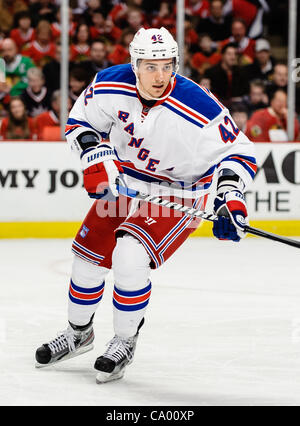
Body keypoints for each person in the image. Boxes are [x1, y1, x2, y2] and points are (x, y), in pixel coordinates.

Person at [35, 27, 257, 383]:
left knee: (130, 256)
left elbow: (240, 152)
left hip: (178, 192)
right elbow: (80, 122)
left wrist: (230, 198)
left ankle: (124, 340)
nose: (160, 76)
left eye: (167, 66)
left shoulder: (198, 105)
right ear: (135, 64)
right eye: (151, 66)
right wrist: (96, 158)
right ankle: (79, 334)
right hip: (127, 183)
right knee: (87, 259)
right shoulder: (109, 83)